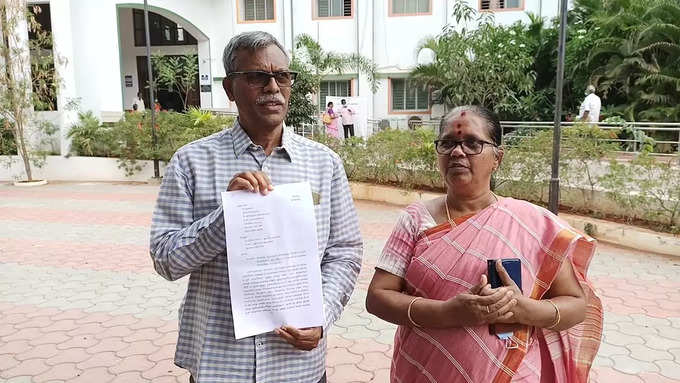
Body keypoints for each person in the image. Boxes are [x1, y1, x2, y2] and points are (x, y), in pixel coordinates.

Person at [150, 31, 362, 383]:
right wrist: (226, 218)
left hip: (297, 366)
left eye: (282, 76)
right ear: (230, 88)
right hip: (220, 364)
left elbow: (345, 253)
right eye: (257, 77)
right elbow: (165, 260)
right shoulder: (191, 162)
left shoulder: (324, 164)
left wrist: (321, 315)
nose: (273, 87)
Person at [365, 105, 602, 383]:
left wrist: (523, 309)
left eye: (472, 143)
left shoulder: (532, 223)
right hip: (424, 370)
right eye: (448, 143)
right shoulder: (416, 220)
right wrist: (448, 312)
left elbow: (576, 305)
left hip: (512, 372)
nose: (457, 152)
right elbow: (377, 297)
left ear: (497, 158)